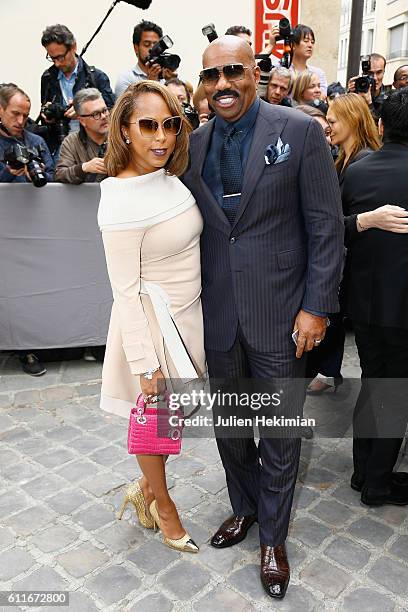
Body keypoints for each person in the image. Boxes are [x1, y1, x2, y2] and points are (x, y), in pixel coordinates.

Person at [182, 35, 344, 599]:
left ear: (254, 72)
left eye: (233, 71)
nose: (222, 84)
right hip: (220, 311)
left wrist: (316, 306)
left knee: (278, 432)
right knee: (230, 425)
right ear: (201, 84)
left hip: (282, 313)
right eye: (211, 76)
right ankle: (245, 507)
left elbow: (326, 225)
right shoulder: (193, 144)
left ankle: (273, 538)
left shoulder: (297, 130)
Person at [98, 81, 205, 552]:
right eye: (147, 125)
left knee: (173, 421)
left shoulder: (166, 175)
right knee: (156, 425)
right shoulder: (119, 200)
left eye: (169, 124)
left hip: (189, 318)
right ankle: (162, 506)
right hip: (155, 329)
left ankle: (142, 491)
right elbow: (122, 291)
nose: (160, 136)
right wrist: (143, 364)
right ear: (124, 129)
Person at [342, 87, 408, 506]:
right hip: (403, 308)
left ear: (381, 126)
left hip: (364, 304)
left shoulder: (357, 170)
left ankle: (362, 469)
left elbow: (337, 228)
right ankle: (377, 483)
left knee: (372, 381)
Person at [306, 93, 380, 395]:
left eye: (333, 122)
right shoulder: (343, 159)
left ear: (352, 120)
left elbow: (355, 220)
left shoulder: (363, 162)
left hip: (357, 268)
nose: (328, 128)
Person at [0, 83, 54, 377]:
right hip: (5, 230)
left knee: (38, 286)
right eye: (14, 113)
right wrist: (7, 173)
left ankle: (46, 341)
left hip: (37, 225)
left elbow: (52, 173)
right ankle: (24, 348)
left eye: (25, 114)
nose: (20, 120)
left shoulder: (36, 140)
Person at [40, 24, 115, 157]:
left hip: (94, 146)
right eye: (52, 58)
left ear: (73, 47)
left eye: (60, 57)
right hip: (60, 145)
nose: (57, 63)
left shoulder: (96, 77)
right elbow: (46, 117)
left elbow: (113, 113)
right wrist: (48, 116)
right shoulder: (48, 78)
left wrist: (85, 112)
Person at [55, 89, 109, 184]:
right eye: (96, 114)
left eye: (105, 110)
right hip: (85, 197)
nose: (104, 116)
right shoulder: (71, 142)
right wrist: (84, 168)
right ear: (82, 121)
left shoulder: (121, 136)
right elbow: (60, 174)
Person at [115, 20, 177, 97]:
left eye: (156, 45)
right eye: (147, 44)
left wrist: (172, 82)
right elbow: (130, 109)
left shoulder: (167, 74)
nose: (152, 48)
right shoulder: (126, 79)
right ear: (136, 48)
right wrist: (151, 84)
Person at [268, 23, 328, 96]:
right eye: (306, 41)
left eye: (312, 42)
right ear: (293, 45)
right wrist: (270, 45)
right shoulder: (278, 68)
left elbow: (322, 98)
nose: (310, 45)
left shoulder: (318, 74)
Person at [348, 53, 387, 119]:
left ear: (384, 72)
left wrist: (369, 103)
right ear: (363, 74)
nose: (375, 78)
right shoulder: (356, 93)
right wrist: (349, 96)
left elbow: (379, 127)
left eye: (379, 72)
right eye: (370, 73)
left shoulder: (389, 99)